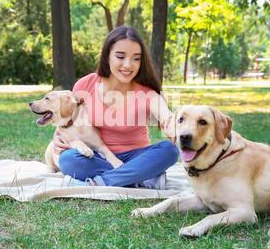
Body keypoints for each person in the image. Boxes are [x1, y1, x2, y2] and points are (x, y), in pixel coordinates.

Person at [54, 26, 179, 189]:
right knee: (68, 159)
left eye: (136, 58)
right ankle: (140, 177)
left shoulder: (148, 94)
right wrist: (57, 138)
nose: (128, 65)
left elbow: (166, 117)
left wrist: (173, 127)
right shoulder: (86, 85)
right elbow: (66, 117)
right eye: (120, 56)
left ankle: (105, 181)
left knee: (169, 150)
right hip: (98, 157)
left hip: (137, 157)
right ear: (107, 56)